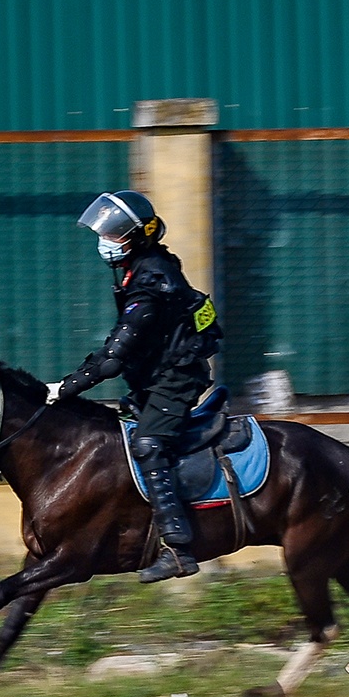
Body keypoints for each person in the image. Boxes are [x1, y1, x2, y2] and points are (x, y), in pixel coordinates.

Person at [47, 191, 222, 584]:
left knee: (148, 444)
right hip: (153, 378)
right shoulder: (138, 271)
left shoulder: (152, 282)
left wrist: (64, 389)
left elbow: (113, 358)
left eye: (113, 235)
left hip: (175, 380)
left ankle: (178, 549)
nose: (104, 242)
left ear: (137, 237)